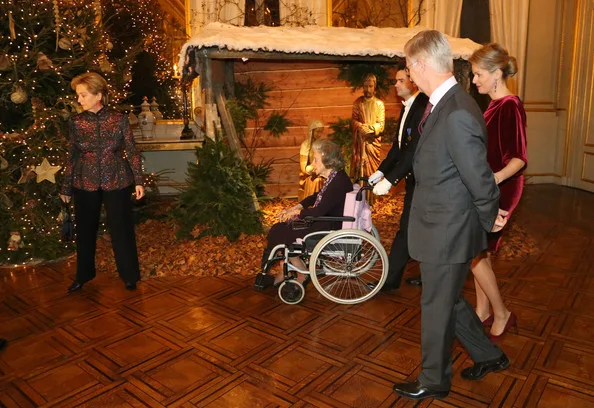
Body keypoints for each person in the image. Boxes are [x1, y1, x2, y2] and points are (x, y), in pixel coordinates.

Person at [391, 30, 510, 401]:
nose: (409, 74)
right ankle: (489, 355)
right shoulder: (444, 103)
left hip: (448, 228)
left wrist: (489, 217)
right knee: (448, 299)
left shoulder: (456, 111)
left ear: (423, 64)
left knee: (436, 304)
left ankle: (434, 378)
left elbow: (479, 176)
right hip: (442, 224)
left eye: (410, 67)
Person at [60, 72, 145, 293]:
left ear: (99, 95)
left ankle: (129, 275)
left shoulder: (119, 119)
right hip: (84, 182)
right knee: (85, 232)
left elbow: (132, 151)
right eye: (78, 95)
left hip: (116, 180)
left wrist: (138, 180)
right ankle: (83, 275)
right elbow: (71, 155)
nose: (79, 100)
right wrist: (66, 186)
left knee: (122, 230)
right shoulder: (77, 122)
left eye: (83, 95)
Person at [468, 43, 527, 340]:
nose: (475, 80)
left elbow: (519, 158)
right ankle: (482, 311)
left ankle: (501, 312)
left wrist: (492, 180)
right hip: (488, 187)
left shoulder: (510, 105)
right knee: (480, 254)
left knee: (474, 253)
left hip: (502, 189)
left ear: (496, 73)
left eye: (478, 74)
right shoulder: (492, 105)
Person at [368, 64, 429, 290]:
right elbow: (398, 147)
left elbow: (413, 151)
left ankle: (391, 280)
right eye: (396, 80)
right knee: (413, 228)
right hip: (414, 180)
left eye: (400, 80)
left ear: (413, 82)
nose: (396, 84)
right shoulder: (407, 108)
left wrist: (391, 180)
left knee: (409, 227)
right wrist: (381, 171)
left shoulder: (423, 105)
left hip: (425, 181)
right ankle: (399, 278)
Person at [259, 139, 353, 285]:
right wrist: (298, 207)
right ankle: (288, 269)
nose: (312, 164)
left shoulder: (338, 183)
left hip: (326, 225)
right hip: (325, 221)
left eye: (315, 160)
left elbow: (319, 210)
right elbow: (316, 197)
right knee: (279, 229)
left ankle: (297, 271)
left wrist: (297, 214)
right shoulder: (336, 178)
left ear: (327, 160)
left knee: (278, 231)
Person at [350, 73, 385, 180]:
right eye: (366, 86)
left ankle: (372, 195)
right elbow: (353, 121)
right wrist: (360, 126)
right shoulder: (358, 103)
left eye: (370, 86)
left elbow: (381, 124)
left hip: (372, 143)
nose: (368, 89)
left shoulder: (379, 104)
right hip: (361, 142)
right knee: (361, 169)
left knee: (372, 171)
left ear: (374, 87)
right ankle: (361, 193)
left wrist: (370, 129)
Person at [298, 120, 325, 201]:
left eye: (321, 132)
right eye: (317, 132)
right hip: (310, 174)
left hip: (323, 172)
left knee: (321, 180)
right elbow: (303, 167)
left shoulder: (323, 144)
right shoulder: (305, 145)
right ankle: (313, 204)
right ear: (311, 131)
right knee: (316, 181)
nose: (320, 134)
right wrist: (310, 170)